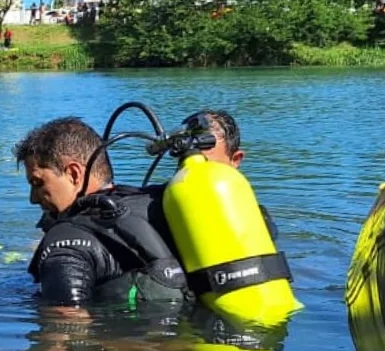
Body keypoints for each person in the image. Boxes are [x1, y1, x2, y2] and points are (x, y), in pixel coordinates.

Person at [14, 117, 190, 307]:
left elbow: (65, 330)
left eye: (38, 183)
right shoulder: (159, 202)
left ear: (74, 174)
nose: (33, 199)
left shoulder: (65, 242)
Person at [181, 109, 278, 241]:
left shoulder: (256, 220)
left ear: (236, 159)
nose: (195, 174)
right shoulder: (153, 207)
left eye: (206, 166)